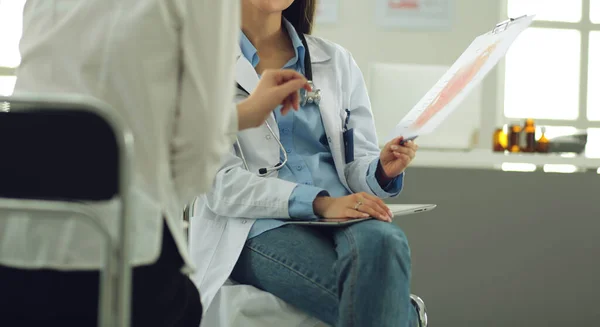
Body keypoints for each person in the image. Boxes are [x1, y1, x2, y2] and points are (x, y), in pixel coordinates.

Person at [0, 0, 310, 326]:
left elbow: (67, 126)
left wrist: (242, 115)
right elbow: (195, 161)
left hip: (15, 253)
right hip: (115, 268)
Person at [189, 0, 425, 326]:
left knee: (387, 239)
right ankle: (408, 317)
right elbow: (220, 185)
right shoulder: (201, 62)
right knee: (376, 303)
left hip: (343, 212)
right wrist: (320, 203)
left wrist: (381, 169)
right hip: (256, 225)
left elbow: (357, 161)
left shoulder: (336, 61)